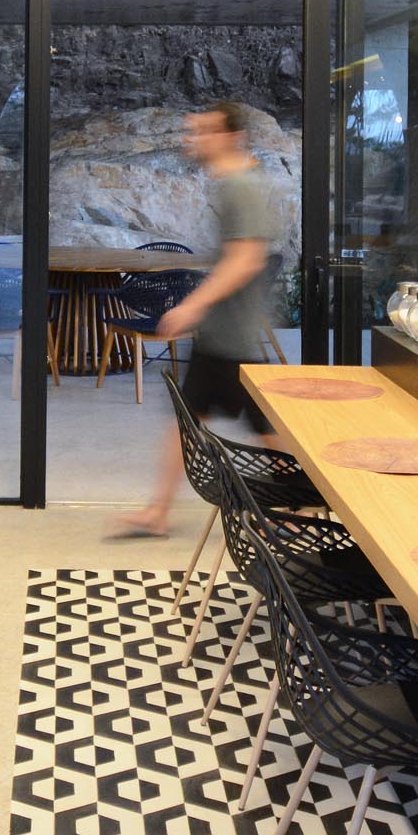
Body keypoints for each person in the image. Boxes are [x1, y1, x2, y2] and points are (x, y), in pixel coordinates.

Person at [109, 100, 277, 540]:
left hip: (232, 338)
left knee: (265, 429)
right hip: (221, 335)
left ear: (230, 138)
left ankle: (303, 503)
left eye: (203, 131)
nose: (194, 140)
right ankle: (158, 511)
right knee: (188, 419)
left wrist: (192, 305)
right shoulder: (231, 186)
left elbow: (246, 260)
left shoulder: (242, 187)